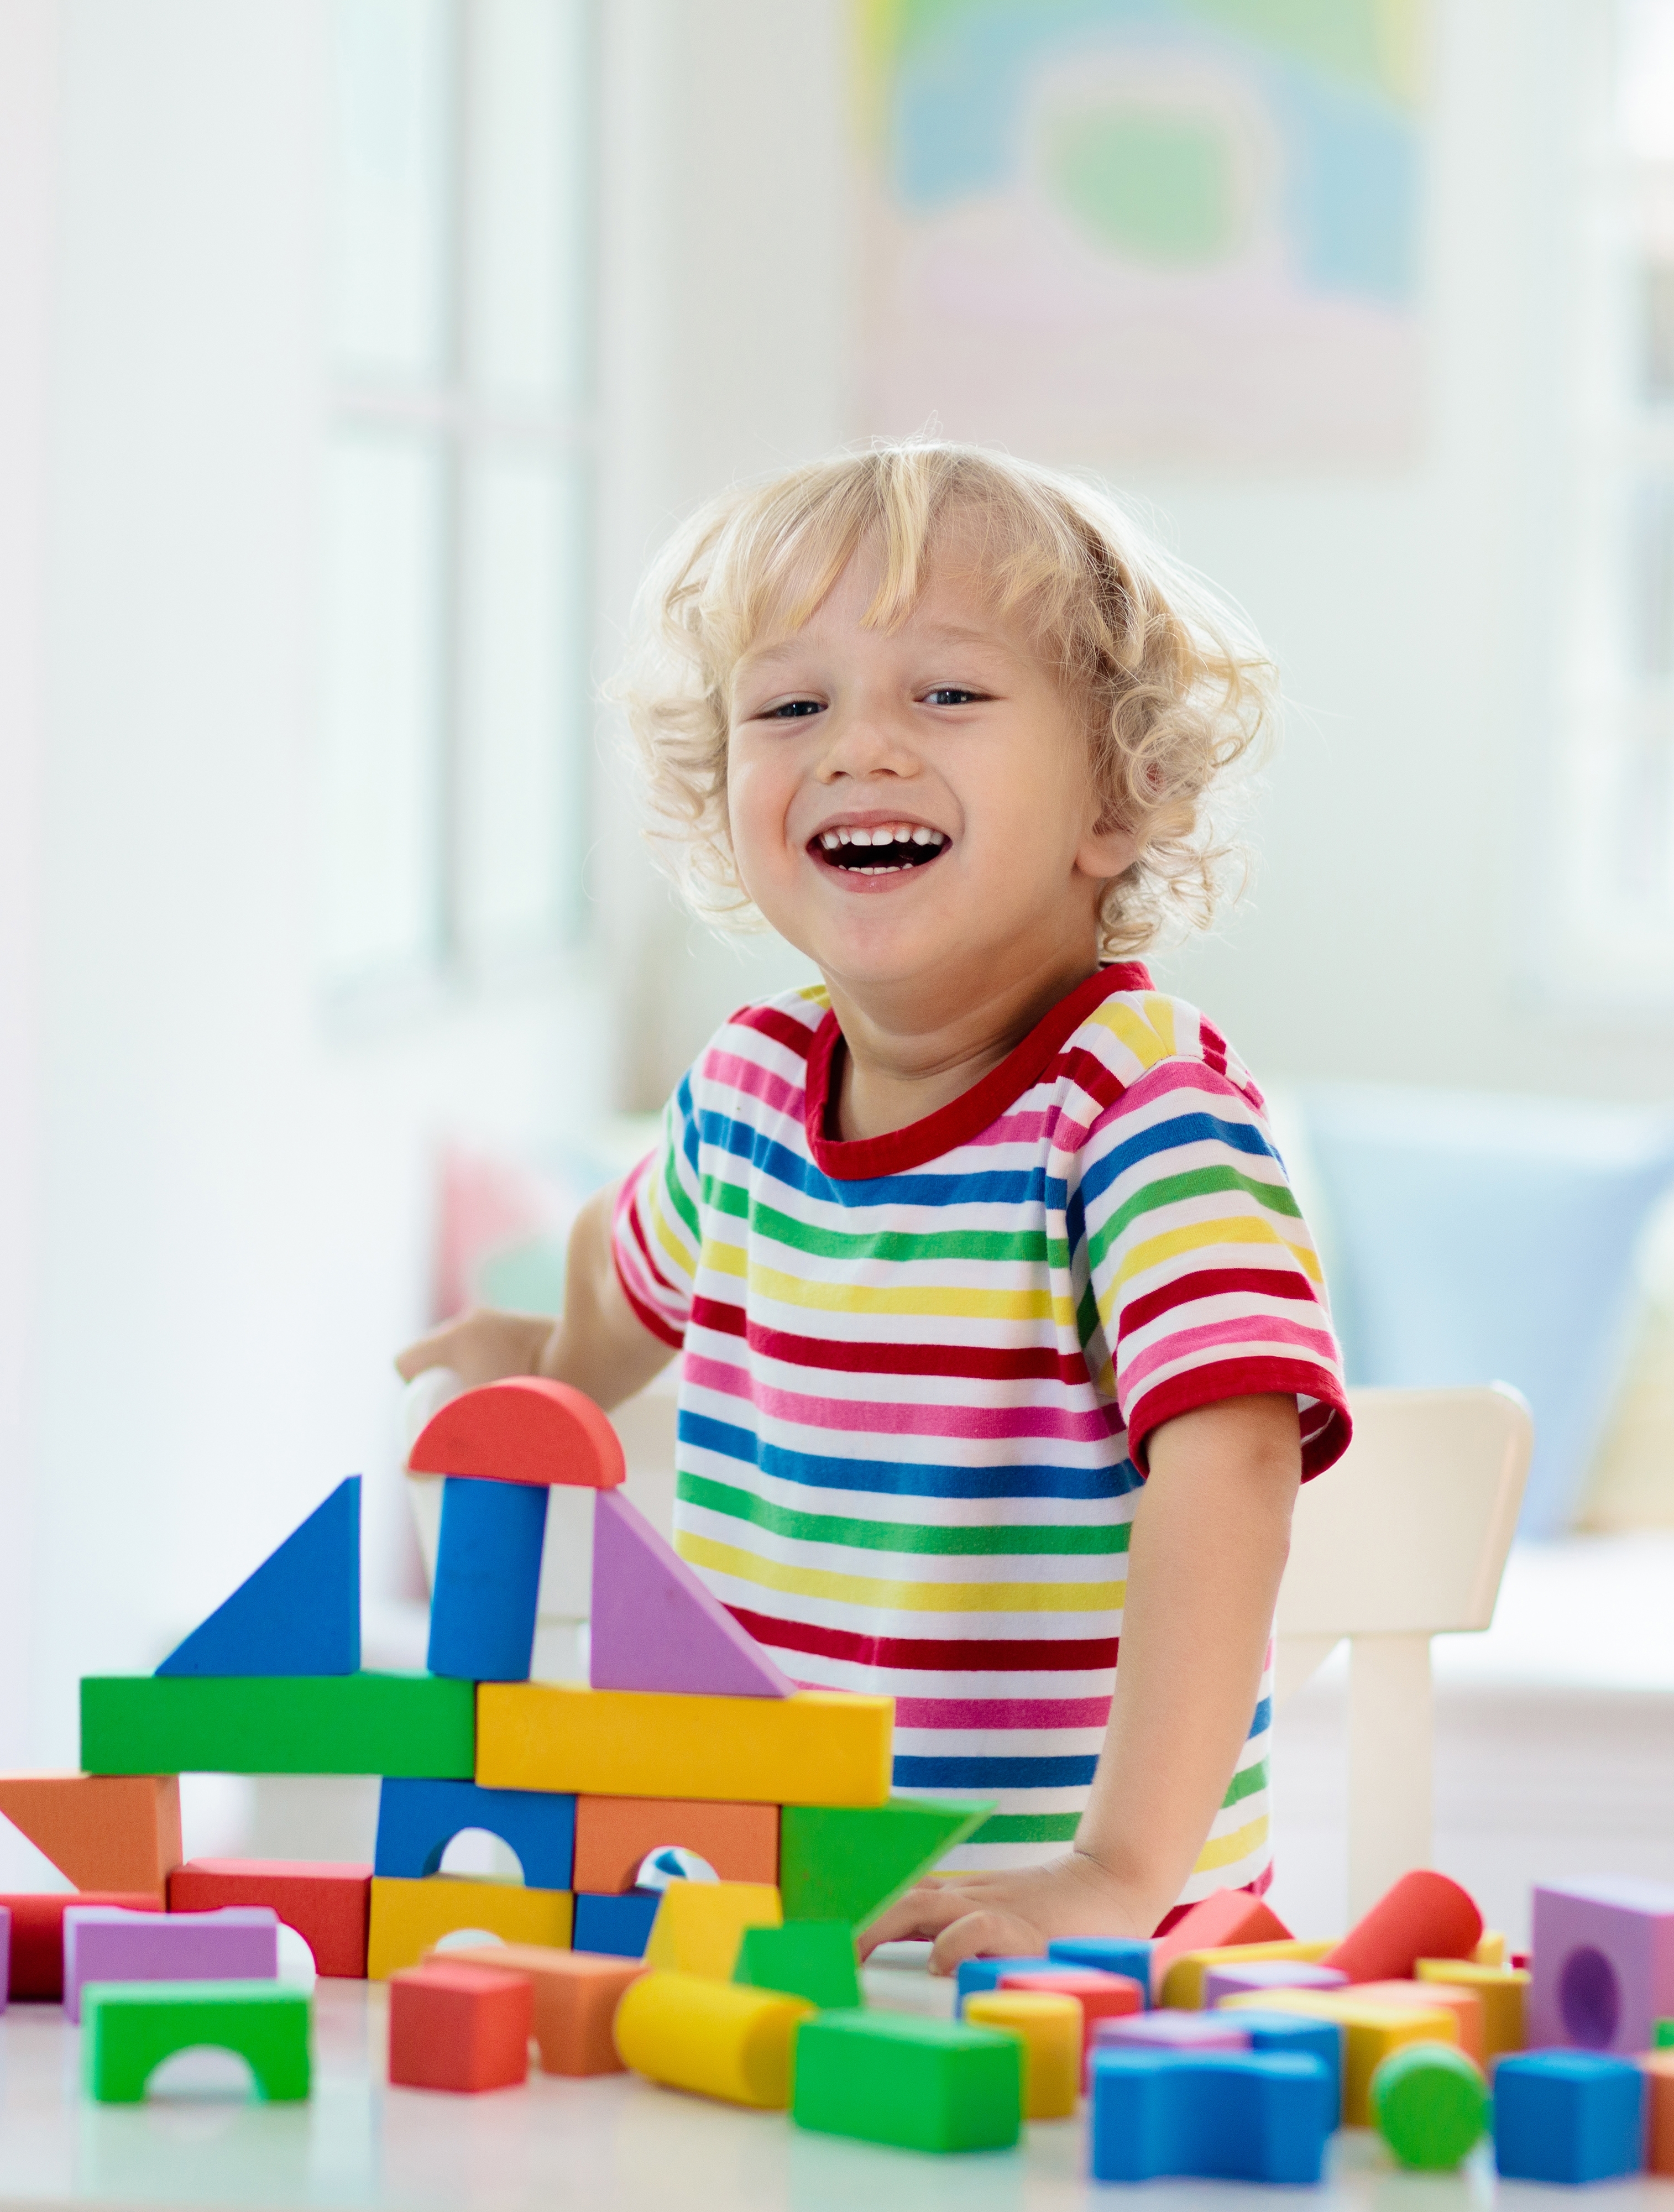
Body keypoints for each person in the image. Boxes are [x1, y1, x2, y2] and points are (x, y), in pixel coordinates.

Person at [394, 441, 1348, 1970]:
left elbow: (1234, 1474)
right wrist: (550, 1365)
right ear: (729, 804)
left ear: (1120, 795)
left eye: (948, 695)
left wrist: (1116, 1871)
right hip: (786, 1913)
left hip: (1070, 1956)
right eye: (792, 705)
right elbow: (623, 1271)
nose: (859, 747)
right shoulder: (748, 1093)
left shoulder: (1135, 1110)